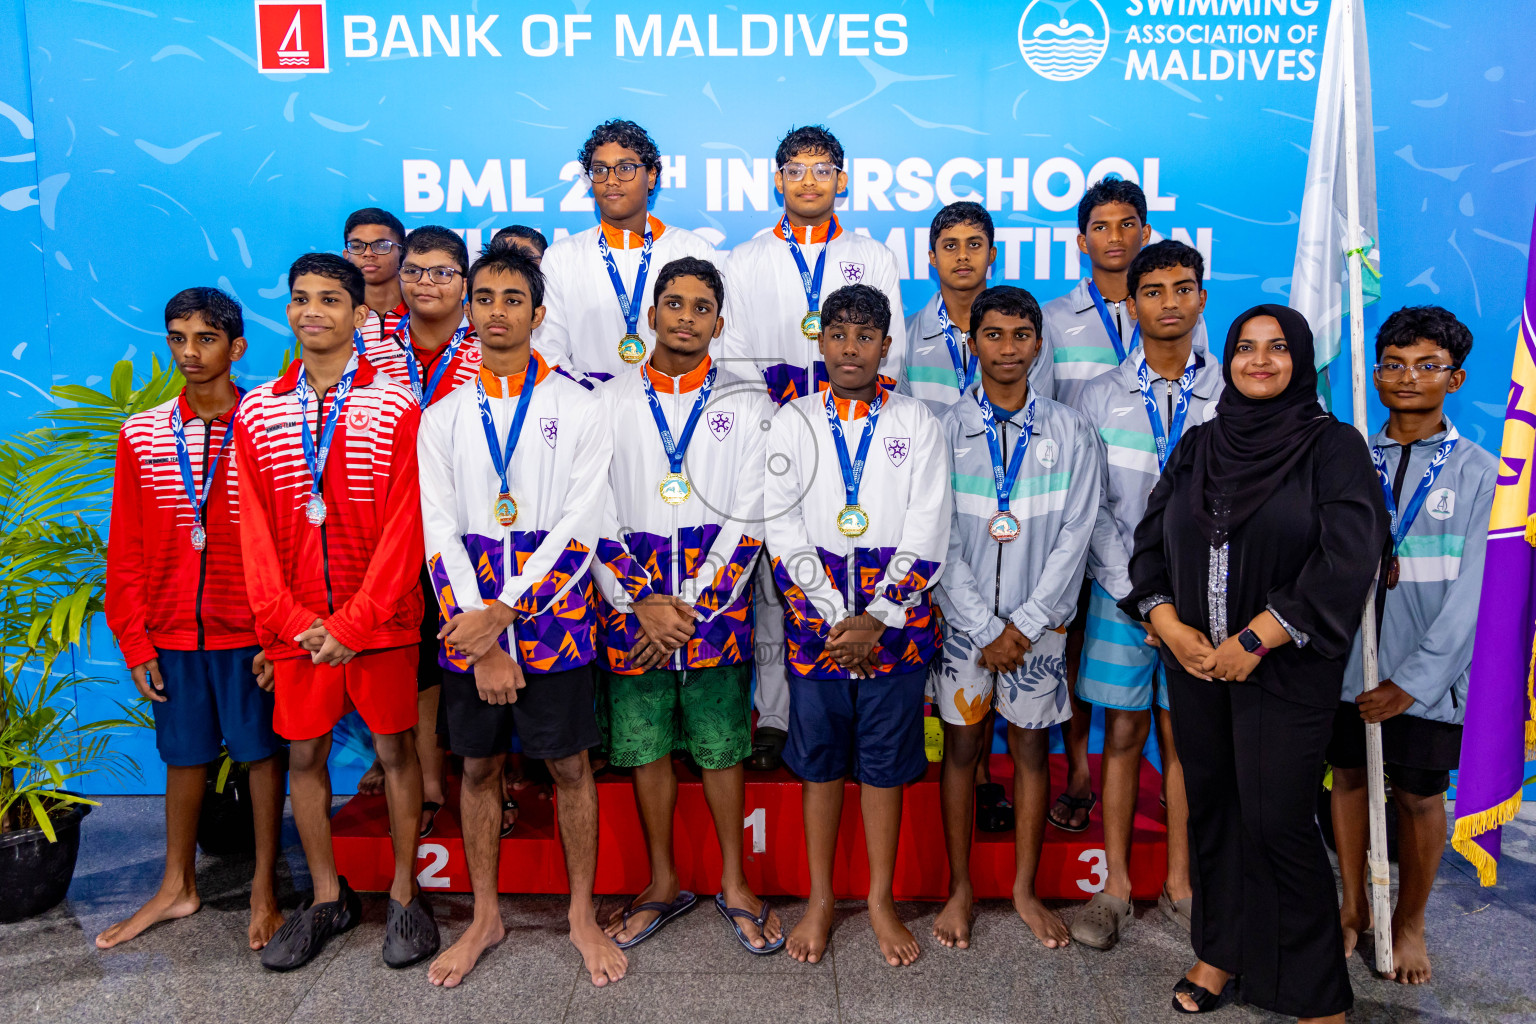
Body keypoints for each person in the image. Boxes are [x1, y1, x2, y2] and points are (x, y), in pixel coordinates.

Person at [1123, 304, 1387, 1020]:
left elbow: (1348, 558)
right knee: (1213, 810)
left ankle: (1315, 992)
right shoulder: (1201, 444)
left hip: (1284, 667)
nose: (1259, 361)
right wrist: (1170, 626)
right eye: (1245, 348)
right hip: (1196, 665)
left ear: (1299, 359)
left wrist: (1255, 639)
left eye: (1276, 349)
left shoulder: (1332, 447)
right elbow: (1150, 542)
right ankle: (1219, 951)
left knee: (1276, 821)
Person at [417, 246, 627, 989]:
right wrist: (480, 637)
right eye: (485, 297)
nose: (497, 310)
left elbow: (583, 526)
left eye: (514, 298)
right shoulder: (441, 417)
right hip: (469, 624)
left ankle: (578, 912)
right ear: (468, 312)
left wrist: (505, 615)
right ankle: (484, 915)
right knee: (477, 768)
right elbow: (437, 531)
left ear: (539, 315)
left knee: (569, 765)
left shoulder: (581, 405)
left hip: (553, 619)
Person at [239, 253, 439, 972]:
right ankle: (328, 896)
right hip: (298, 627)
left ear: (361, 314)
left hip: (378, 625)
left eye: (330, 298)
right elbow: (251, 531)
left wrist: (353, 624)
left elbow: (407, 526)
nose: (312, 310)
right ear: (288, 311)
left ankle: (404, 894)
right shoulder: (257, 412)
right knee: (305, 755)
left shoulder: (394, 407)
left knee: (395, 752)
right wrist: (291, 623)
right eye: (300, 299)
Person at [592, 257, 783, 955]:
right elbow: (592, 507)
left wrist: (692, 605)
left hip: (716, 611)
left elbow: (754, 512)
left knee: (722, 748)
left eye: (702, 307)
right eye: (673, 303)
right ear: (651, 316)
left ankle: (735, 882)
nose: (685, 317)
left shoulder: (750, 404)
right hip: (630, 609)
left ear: (719, 323)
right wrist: (642, 599)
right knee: (642, 748)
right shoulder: (607, 402)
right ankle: (662, 881)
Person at [763, 283, 949, 968]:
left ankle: (878, 898)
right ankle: (818, 899)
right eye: (838, 334)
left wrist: (879, 616)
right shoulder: (793, 422)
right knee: (818, 770)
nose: (850, 347)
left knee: (883, 771)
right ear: (820, 342)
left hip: (893, 630)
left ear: (885, 346)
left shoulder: (917, 423)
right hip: (818, 631)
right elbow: (780, 524)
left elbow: (931, 525)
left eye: (865, 335)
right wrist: (833, 616)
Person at [721, 123, 908, 773]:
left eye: (822, 168)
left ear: (842, 179)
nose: (808, 180)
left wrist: (842, 403)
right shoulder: (745, 259)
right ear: (777, 180)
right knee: (777, 581)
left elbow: (894, 349)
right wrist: (781, 402)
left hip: (856, 437)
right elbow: (731, 353)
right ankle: (776, 716)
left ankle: (857, 700)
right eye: (795, 169)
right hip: (777, 437)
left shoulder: (872, 253)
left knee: (852, 561)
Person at [99, 288, 282, 952]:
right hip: (172, 630)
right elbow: (127, 548)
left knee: (262, 757)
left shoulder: (267, 424)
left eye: (205, 339)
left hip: (247, 629)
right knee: (183, 758)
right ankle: (177, 884)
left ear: (235, 348)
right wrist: (134, 639)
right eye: (177, 338)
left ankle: (265, 885)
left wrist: (274, 633)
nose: (189, 352)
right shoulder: (143, 433)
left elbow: (285, 538)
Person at [929, 285, 1099, 951]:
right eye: (992, 334)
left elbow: (1077, 535)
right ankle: (960, 888)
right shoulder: (943, 430)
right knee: (963, 749)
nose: (1006, 347)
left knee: (1031, 748)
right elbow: (935, 534)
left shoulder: (1071, 430)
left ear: (1038, 342)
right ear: (973, 343)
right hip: (966, 627)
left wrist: (1023, 626)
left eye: (1019, 335)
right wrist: (981, 626)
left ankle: (1024, 888)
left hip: (1039, 630)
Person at [1329, 305, 1495, 986]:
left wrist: (1415, 682)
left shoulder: (1483, 473)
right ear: (1374, 374)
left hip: (1427, 677)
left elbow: (1477, 595)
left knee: (1420, 795)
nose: (1408, 378)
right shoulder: (1345, 459)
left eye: (1427, 366)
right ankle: (1352, 906)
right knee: (1348, 778)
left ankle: (1411, 919)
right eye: (1394, 365)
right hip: (1346, 665)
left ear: (1453, 380)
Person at [1070, 240, 1212, 950]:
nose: (1168, 303)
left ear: (1201, 299)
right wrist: (1140, 597)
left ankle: (1182, 884)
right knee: (1121, 735)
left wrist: (1188, 604)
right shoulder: (1098, 396)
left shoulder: (1230, 395)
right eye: (1152, 291)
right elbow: (1092, 509)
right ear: (1131, 304)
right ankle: (1116, 887)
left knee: (1182, 738)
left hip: (1205, 610)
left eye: (1181, 289)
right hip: (1122, 596)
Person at [352, 225, 484, 835]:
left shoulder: (490, 345)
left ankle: (489, 780)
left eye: (441, 272)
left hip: (473, 523)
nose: (426, 283)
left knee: (474, 644)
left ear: (465, 279)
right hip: (394, 524)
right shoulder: (372, 345)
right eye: (415, 272)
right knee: (420, 658)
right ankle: (430, 782)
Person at [535, 119, 717, 380]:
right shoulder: (562, 257)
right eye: (600, 170)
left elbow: (715, 343)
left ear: (651, 175)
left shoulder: (693, 250)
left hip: (675, 407)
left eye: (625, 168)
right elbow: (549, 352)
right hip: (590, 409)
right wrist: (597, 400)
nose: (611, 180)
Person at [903, 202, 1053, 414]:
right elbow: (902, 421)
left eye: (974, 244)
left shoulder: (1027, 330)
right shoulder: (905, 335)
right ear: (933, 258)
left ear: (992, 254)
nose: (962, 255)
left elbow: (1037, 414)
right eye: (950, 246)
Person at [342, 207, 409, 348]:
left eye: (381, 245)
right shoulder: (338, 317)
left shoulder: (421, 312)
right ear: (346, 255)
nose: (368, 253)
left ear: (402, 253)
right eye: (357, 246)